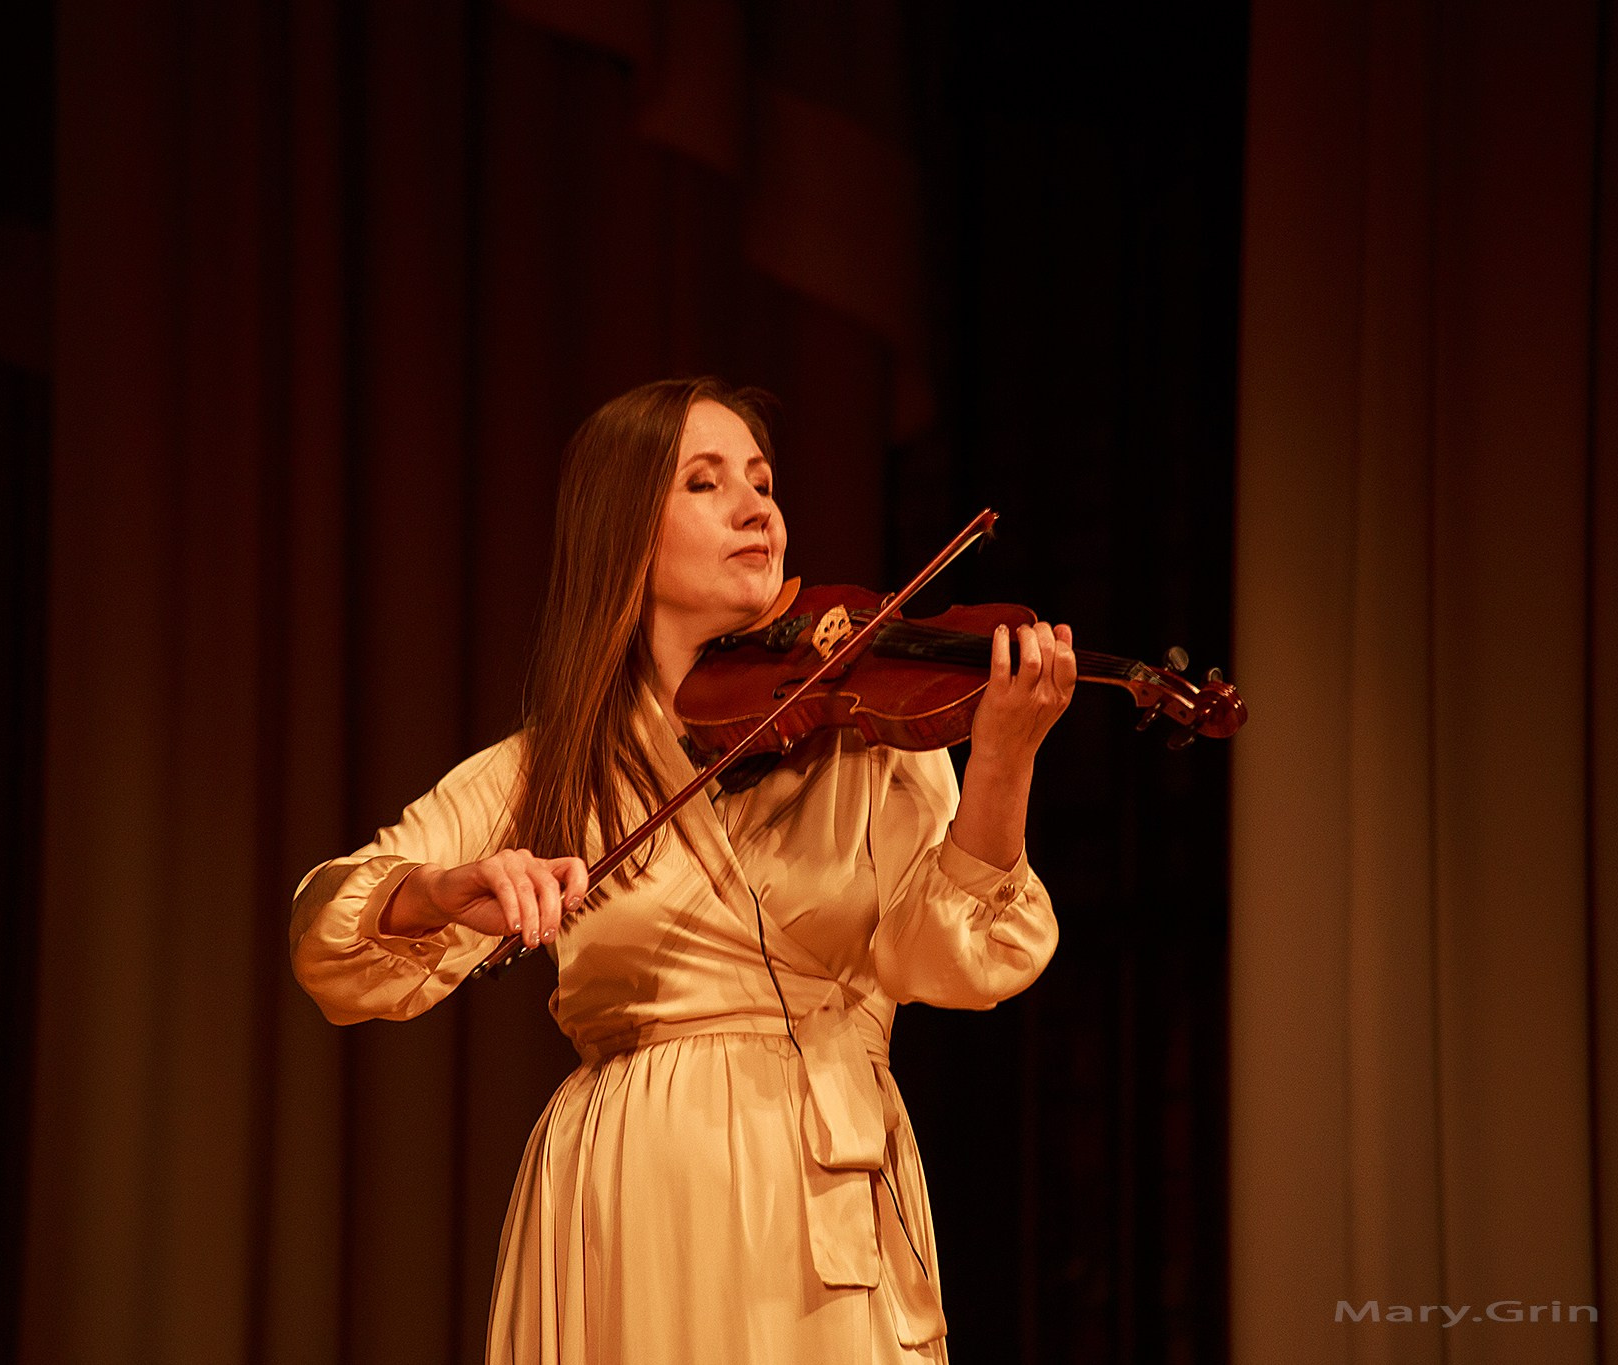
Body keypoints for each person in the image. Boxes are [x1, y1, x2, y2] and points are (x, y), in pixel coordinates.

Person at [290, 376, 1072, 1363]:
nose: (755, 508)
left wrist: (1001, 763)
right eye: (703, 484)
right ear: (623, 532)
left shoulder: (870, 729)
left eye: (761, 480)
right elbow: (327, 936)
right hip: (630, 1190)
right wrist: (437, 891)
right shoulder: (550, 762)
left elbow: (951, 964)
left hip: (824, 1180)